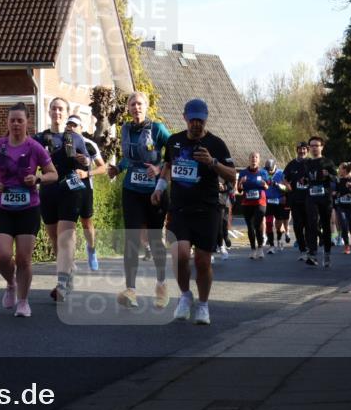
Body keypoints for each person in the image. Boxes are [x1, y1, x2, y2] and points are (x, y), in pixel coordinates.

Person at [154, 99, 236, 326]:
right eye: (193, 120)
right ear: (185, 118)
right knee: (180, 255)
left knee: (202, 261)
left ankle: (202, 304)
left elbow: (232, 176)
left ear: (206, 119)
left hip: (207, 209)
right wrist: (159, 189)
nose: (196, 124)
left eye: (200, 120)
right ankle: (185, 295)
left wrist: (212, 162)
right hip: (180, 208)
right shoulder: (174, 141)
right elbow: (168, 167)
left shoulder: (216, 144)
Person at [0, 103, 58, 317]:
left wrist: (38, 178)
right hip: (3, 208)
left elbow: (53, 173)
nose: (16, 124)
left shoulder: (35, 147)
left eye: (20, 120)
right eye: (12, 120)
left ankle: (23, 302)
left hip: (28, 209)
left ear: (27, 122)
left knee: (24, 259)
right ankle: (11, 284)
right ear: (7, 122)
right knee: (2, 256)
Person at [107, 92, 171, 309]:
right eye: (132, 104)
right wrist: (118, 168)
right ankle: (131, 290)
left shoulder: (158, 129)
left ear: (146, 106)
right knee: (131, 239)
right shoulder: (125, 129)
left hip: (155, 191)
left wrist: (159, 168)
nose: (136, 107)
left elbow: (175, 154)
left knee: (155, 240)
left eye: (140, 104)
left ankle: (161, 286)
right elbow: (129, 158)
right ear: (128, 108)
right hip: (131, 190)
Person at [33, 98, 90, 302]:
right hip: (48, 190)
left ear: (66, 113)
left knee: (66, 236)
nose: (57, 112)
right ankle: (69, 269)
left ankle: (62, 283)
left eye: (61, 109)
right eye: (54, 108)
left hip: (70, 188)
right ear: (49, 112)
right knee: (56, 240)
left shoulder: (75, 138)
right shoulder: (39, 138)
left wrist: (85, 162)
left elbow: (87, 163)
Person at [65, 115, 106, 271]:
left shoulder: (89, 145)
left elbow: (103, 167)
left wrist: (87, 173)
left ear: (81, 128)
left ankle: (91, 249)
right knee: (69, 225)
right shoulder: (63, 143)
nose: (71, 128)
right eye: (69, 125)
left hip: (85, 188)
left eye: (75, 125)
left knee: (86, 224)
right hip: (67, 188)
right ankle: (70, 259)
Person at [303, 136, 338, 268]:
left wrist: (328, 175)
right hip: (311, 197)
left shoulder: (328, 162)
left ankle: (327, 253)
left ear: (321, 147)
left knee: (326, 226)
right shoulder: (307, 163)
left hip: (325, 198)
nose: (314, 148)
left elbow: (336, 179)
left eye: (316, 145)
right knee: (311, 224)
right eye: (311, 146)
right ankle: (312, 253)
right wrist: (304, 181)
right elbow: (307, 179)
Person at [237, 152, 269, 259]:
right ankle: (253, 249)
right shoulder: (243, 173)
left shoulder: (263, 172)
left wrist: (265, 185)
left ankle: (260, 248)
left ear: (259, 160)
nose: (254, 159)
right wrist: (241, 183)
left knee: (257, 224)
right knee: (250, 227)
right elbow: (239, 190)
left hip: (260, 202)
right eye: (252, 157)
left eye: (256, 157)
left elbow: (267, 187)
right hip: (247, 202)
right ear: (249, 159)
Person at [283, 142, 310, 260]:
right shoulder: (291, 164)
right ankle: (302, 250)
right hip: (295, 201)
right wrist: (287, 184)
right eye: (300, 149)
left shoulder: (310, 163)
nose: (302, 151)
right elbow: (284, 177)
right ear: (297, 150)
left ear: (307, 150)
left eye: (304, 149)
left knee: (309, 226)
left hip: (309, 200)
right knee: (298, 226)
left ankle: (310, 248)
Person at [333, 161, 351, 254]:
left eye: (340, 169)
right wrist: (335, 194)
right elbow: (335, 191)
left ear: (345, 170)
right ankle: (347, 246)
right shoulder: (338, 181)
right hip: (341, 207)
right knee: (344, 226)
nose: (338, 170)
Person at [263, 158, 289, 253]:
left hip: (279, 201)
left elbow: (287, 188)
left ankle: (278, 239)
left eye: (270, 169)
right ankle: (271, 245)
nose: (268, 171)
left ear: (274, 166)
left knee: (278, 225)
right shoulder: (263, 172)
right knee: (269, 223)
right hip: (268, 201)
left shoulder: (281, 173)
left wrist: (277, 185)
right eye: (267, 169)